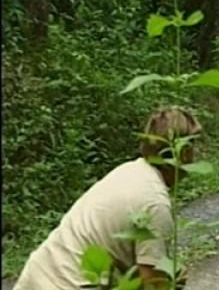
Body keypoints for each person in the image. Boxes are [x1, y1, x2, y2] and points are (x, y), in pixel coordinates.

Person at [13, 106, 202, 290]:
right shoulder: (154, 203)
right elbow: (153, 285)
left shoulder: (129, 171)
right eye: (192, 146)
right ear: (182, 152)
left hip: (38, 276)